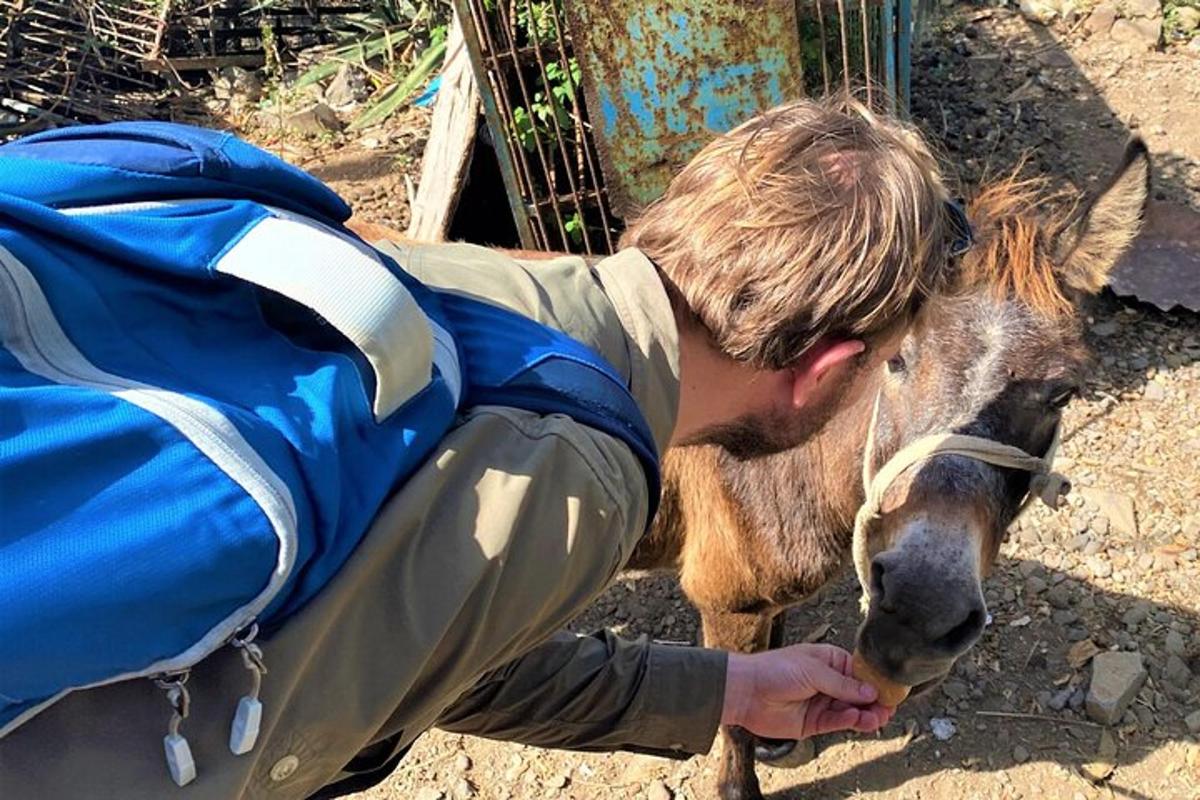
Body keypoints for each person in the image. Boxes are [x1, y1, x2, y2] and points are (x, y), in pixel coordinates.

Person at [0, 97, 953, 798]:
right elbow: (337, 714)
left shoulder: (459, 278)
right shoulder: (581, 469)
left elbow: (412, 650)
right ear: (827, 367)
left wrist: (723, 688)